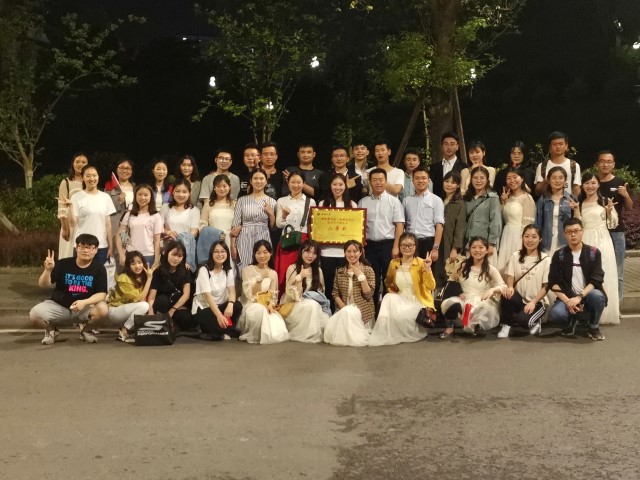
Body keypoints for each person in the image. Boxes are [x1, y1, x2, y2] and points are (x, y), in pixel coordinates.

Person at [30, 233, 108, 345]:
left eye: (90, 247)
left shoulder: (99, 269)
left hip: (84, 307)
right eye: (82, 247)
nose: (85, 250)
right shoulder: (63, 263)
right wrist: (47, 270)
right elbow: (43, 285)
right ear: (76, 248)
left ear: (95, 250)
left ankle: (86, 331)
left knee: (103, 308)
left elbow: (101, 294)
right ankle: (51, 331)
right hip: (59, 305)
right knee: (34, 315)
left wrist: (84, 302)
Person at [369, 233, 435, 346]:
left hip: (416, 302)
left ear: (415, 246)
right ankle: (383, 331)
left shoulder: (421, 263)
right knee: (388, 297)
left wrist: (428, 269)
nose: (407, 247)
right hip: (400, 299)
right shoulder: (394, 263)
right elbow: (388, 282)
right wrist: (392, 292)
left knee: (391, 302)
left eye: (410, 245)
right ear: (399, 247)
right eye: (403, 245)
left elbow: (431, 286)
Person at [547, 218, 607, 340]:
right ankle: (574, 319)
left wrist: (579, 297)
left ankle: (593, 327)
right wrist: (568, 301)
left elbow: (596, 279)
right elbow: (553, 282)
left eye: (576, 231)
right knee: (556, 313)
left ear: (582, 232)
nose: (573, 234)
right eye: (569, 232)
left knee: (597, 296)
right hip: (568, 296)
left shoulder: (593, 252)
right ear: (564, 234)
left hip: (587, 295)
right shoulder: (559, 254)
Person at [439, 237, 506, 337]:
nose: (477, 250)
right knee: (450, 304)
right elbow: (451, 280)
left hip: (481, 300)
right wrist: (458, 292)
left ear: (486, 250)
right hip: (463, 298)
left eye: (481, 247)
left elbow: (503, 286)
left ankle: (474, 326)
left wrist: (492, 290)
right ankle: (450, 327)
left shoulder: (490, 269)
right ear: (470, 249)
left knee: (483, 308)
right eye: (474, 247)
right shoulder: (462, 265)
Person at [575, 173, 619, 325]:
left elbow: (613, 224)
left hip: (603, 241)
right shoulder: (580, 203)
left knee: (605, 273)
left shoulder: (605, 201)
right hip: (586, 241)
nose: (590, 186)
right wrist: (576, 210)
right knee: (586, 275)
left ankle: (605, 312)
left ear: (598, 185)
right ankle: (587, 314)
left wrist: (609, 211)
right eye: (587, 183)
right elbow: (578, 226)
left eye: (593, 183)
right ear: (582, 186)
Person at [358, 168, 405, 309]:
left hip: (388, 245)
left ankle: (387, 311)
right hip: (369, 246)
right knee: (371, 280)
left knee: (388, 279)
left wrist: (396, 247)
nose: (378, 183)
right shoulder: (363, 202)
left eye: (381, 180)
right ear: (370, 182)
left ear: (386, 182)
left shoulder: (394, 201)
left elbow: (399, 225)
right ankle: (371, 312)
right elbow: (359, 226)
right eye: (374, 180)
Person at [498, 225, 550, 338]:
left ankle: (536, 321)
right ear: (522, 238)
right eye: (526, 236)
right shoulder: (515, 256)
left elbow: (546, 286)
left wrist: (533, 302)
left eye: (534, 237)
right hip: (520, 299)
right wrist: (510, 287)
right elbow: (510, 276)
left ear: (540, 239)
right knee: (506, 294)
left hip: (537, 302)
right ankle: (507, 325)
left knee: (523, 321)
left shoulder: (545, 259)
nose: (530, 240)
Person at [318, 173, 359, 310]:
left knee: (345, 287)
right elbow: (319, 228)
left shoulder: (352, 204)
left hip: (345, 254)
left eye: (341, 184)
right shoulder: (322, 204)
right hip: (326, 252)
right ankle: (329, 313)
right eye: (334, 184)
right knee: (329, 286)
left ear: (345, 186)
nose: (337, 187)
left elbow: (356, 229)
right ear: (330, 186)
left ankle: (345, 312)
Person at [596, 150, 633, 302]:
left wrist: (626, 195)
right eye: (602, 161)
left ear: (613, 164)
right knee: (598, 269)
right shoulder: (593, 183)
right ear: (597, 164)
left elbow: (629, 207)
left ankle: (616, 305)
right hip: (597, 231)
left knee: (618, 271)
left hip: (616, 232)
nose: (605, 164)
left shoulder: (620, 182)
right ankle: (601, 303)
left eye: (609, 162)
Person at [324, 240, 375, 347]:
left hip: (362, 312)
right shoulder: (340, 271)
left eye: (355, 251)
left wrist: (361, 277)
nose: (352, 255)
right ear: (344, 253)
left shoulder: (368, 270)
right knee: (329, 329)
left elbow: (369, 295)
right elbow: (335, 293)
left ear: (360, 253)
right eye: (348, 251)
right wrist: (343, 307)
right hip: (344, 309)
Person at [237, 240, 290, 344]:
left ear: (271, 253)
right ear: (254, 254)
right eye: (258, 253)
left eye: (265, 252)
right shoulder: (247, 270)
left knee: (274, 321)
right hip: (249, 304)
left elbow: (273, 295)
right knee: (259, 310)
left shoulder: (273, 273)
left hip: (265, 305)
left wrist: (270, 305)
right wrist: (261, 278)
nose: (262, 256)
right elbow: (250, 295)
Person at [64, 165, 116, 266]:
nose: (92, 178)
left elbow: (108, 224)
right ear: (82, 178)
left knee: (98, 274)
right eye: (88, 176)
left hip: (100, 246)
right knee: (80, 274)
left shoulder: (105, 197)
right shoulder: (76, 197)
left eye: (94, 175)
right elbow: (73, 223)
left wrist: (110, 246)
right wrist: (70, 207)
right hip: (82, 245)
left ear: (98, 177)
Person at [280, 240, 330, 343]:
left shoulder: (318, 270)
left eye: (314, 253)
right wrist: (300, 277)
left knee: (325, 321)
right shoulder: (292, 268)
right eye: (307, 251)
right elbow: (293, 296)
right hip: (294, 305)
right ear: (301, 251)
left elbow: (321, 294)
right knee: (311, 305)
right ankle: (308, 336)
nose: (310, 256)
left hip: (314, 306)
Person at [274, 171, 316, 293]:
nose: (296, 185)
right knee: (285, 272)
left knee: (303, 273)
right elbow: (278, 224)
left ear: (303, 183)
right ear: (288, 183)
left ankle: (303, 298)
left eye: (299, 182)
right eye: (293, 182)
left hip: (304, 242)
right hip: (287, 241)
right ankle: (284, 299)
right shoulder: (281, 201)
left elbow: (313, 225)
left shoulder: (310, 202)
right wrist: (283, 216)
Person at [192, 241, 242, 341]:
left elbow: (232, 291)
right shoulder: (204, 270)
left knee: (237, 305)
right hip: (205, 307)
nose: (220, 254)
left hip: (220, 305)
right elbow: (207, 296)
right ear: (211, 254)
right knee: (219, 326)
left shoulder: (228, 270)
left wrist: (230, 304)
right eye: (216, 252)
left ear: (227, 253)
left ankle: (220, 329)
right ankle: (214, 330)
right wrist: (219, 315)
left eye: (223, 251)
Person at [231, 169, 277, 270]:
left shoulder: (272, 201)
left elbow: (273, 228)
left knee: (262, 268)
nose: (258, 181)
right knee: (244, 268)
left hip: (263, 236)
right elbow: (235, 225)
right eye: (255, 178)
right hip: (244, 237)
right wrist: (232, 245)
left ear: (266, 181)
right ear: (251, 181)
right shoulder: (242, 200)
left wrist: (271, 214)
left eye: (261, 178)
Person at [148, 240, 194, 332]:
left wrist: (172, 310)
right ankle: (165, 324)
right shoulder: (158, 272)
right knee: (162, 300)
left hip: (177, 306)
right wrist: (150, 312)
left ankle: (172, 324)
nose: (176, 259)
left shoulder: (185, 271)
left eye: (180, 256)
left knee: (185, 318)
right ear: (167, 253)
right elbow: (152, 297)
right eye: (173, 254)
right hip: (162, 306)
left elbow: (186, 294)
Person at [497, 168, 536, 273]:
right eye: (509, 178)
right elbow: (501, 218)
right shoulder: (508, 197)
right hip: (506, 234)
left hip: (519, 235)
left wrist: (525, 240)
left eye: (515, 177)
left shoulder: (527, 198)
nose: (512, 180)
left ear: (522, 179)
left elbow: (529, 223)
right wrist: (503, 202)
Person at [108, 251, 152, 344]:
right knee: (144, 306)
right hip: (115, 311)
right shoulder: (124, 278)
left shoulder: (141, 277)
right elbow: (140, 299)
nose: (137, 266)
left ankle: (128, 329)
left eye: (140, 262)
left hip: (126, 310)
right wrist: (149, 279)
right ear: (128, 265)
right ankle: (124, 330)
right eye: (133, 263)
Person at [115, 184, 163, 269]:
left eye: (146, 195)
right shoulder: (129, 214)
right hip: (131, 254)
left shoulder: (156, 216)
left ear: (151, 197)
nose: (142, 198)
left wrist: (156, 261)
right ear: (135, 196)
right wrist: (121, 254)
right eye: (140, 194)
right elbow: (119, 235)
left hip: (148, 256)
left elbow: (157, 241)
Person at [402, 166, 444, 259]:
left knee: (427, 268)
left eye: (423, 178)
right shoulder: (406, 200)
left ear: (428, 181)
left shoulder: (436, 200)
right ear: (413, 181)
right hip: (410, 242)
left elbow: (439, 226)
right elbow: (402, 225)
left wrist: (435, 248)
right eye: (417, 178)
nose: (420, 181)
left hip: (428, 242)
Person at [463, 166, 502, 267]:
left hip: (485, 245)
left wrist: (491, 244)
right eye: (475, 178)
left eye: (482, 178)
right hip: (469, 245)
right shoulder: (467, 199)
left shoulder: (492, 198)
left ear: (487, 179)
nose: (478, 181)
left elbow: (496, 221)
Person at [433, 171, 467, 286]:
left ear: (458, 185)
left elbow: (460, 227)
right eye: (447, 181)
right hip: (436, 240)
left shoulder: (460, 203)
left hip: (449, 242)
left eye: (453, 182)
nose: (449, 185)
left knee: (445, 271)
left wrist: (455, 249)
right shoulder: (438, 200)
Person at [161, 179, 199, 271]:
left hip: (185, 252)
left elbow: (194, 231)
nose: (181, 195)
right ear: (173, 192)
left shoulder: (194, 210)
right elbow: (159, 228)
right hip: (167, 250)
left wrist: (180, 239)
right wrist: (168, 232)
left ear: (189, 193)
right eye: (177, 191)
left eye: (184, 192)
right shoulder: (165, 207)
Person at [535, 166, 576, 253]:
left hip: (565, 242)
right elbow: (538, 223)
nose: (557, 181)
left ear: (565, 180)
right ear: (548, 180)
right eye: (553, 178)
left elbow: (576, 222)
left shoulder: (571, 199)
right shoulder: (543, 199)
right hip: (546, 243)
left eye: (561, 178)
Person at [198, 174, 236, 267]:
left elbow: (239, 223)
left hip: (231, 241)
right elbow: (202, 225)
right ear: (214, 188)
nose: (222, 189)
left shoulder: (235, 204)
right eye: (218, 186)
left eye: (224, 186)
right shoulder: (208, 204)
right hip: (213, 242)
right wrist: (215, 234)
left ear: (229, 187)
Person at [57, 152, 88, 259]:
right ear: (73, 164)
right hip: (71, 225)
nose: (80, 164)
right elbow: (61, 208)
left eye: (83, 162)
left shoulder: (90, 182)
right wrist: (65, 228)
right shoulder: (66, 182)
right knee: (69, 255)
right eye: (77, 162)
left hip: (86, 224)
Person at [534, 131, 581, 197]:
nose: (558, 147)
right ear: (550, 147)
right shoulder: (542, 166)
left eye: (561, 144)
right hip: (548, 202)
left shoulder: (574, 166)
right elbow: (538, 191)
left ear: (566, 146)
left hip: (567, 202)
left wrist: (573, 202)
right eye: (554, 144)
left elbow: (576, 189)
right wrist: (547, 180)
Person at [105, 157, 135, 254]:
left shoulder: (135, 186)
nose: (125, 171)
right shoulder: (109, 186)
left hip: (131, 225)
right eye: (122, 168)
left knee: (128, 250)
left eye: (128, 168)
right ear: (116, 169)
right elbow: (105, 207)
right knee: (114, 251)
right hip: (115, 224)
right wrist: (118, 201)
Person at [430, 131, 465, 198]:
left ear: (457, 146)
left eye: (452, 144)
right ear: (442, 146)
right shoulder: (433, 168)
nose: (449, 147)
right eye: (446, 144)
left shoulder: (464, 167)